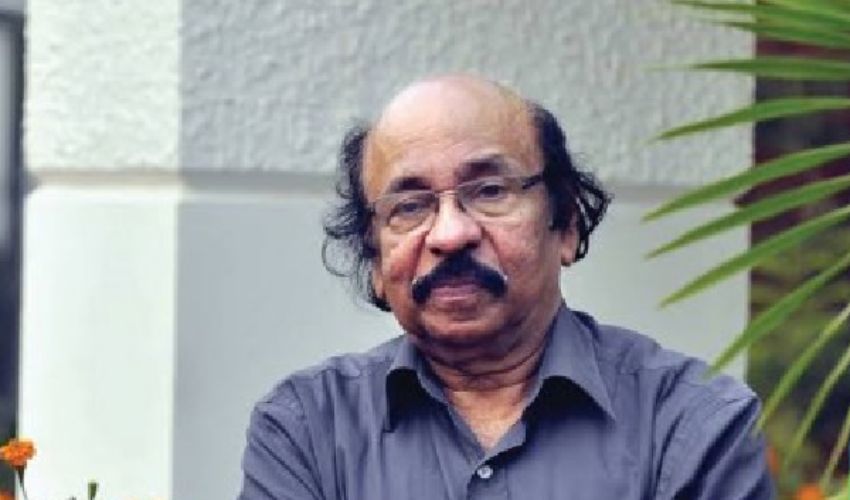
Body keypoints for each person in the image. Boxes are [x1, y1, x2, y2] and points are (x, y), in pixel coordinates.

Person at [238, 75, 773, 499]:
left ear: (566, 223)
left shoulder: (692, 423)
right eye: (410, 206)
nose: (450, 234)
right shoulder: (308, 430)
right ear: (376, 261)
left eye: (490, 191)